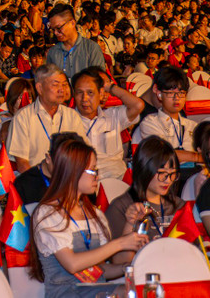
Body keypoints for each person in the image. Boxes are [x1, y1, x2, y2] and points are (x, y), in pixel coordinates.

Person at [28, 138, 148, 298]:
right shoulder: (48, 214)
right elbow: (72, 264)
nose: (97, 176)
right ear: (73, 172)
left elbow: (101, 269)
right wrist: (120, 243)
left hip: (97, 290)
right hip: (66, 293)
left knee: (140, 289)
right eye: (92, 171)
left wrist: (130, 225)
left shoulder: (94, 214)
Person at [104, 137, 182, 259]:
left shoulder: (178, 205)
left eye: (172, 174)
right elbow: (120, 263)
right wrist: (130, 224)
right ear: (144, 170)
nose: (168, 180)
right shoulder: (121, 207)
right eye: (162, 173)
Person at [8, 63, 86, 173]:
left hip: (67, 179)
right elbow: (22, 164)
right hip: (35, 179)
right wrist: (42, 182)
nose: (62, 90)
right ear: (39, 88)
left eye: (64, 85)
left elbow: (82, 153)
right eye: (56, 85)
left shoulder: (72, 116)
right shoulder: (23, 117)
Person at [71, 67, 145, 181]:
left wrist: (109, 87)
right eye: (79, 92)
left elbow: (138, 105)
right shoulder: (67, 120)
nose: (84, 99)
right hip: (85, 182)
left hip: (117, 179)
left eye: (90, 92)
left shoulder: (113, 115)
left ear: (100, 93)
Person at [132, 66, 202, 168]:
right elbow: (162, 154)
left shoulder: (192, 126)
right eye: (171, 93)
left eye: (181, 93)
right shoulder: (150, 122)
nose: (176, 98)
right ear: (159, 94)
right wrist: (197, 157)